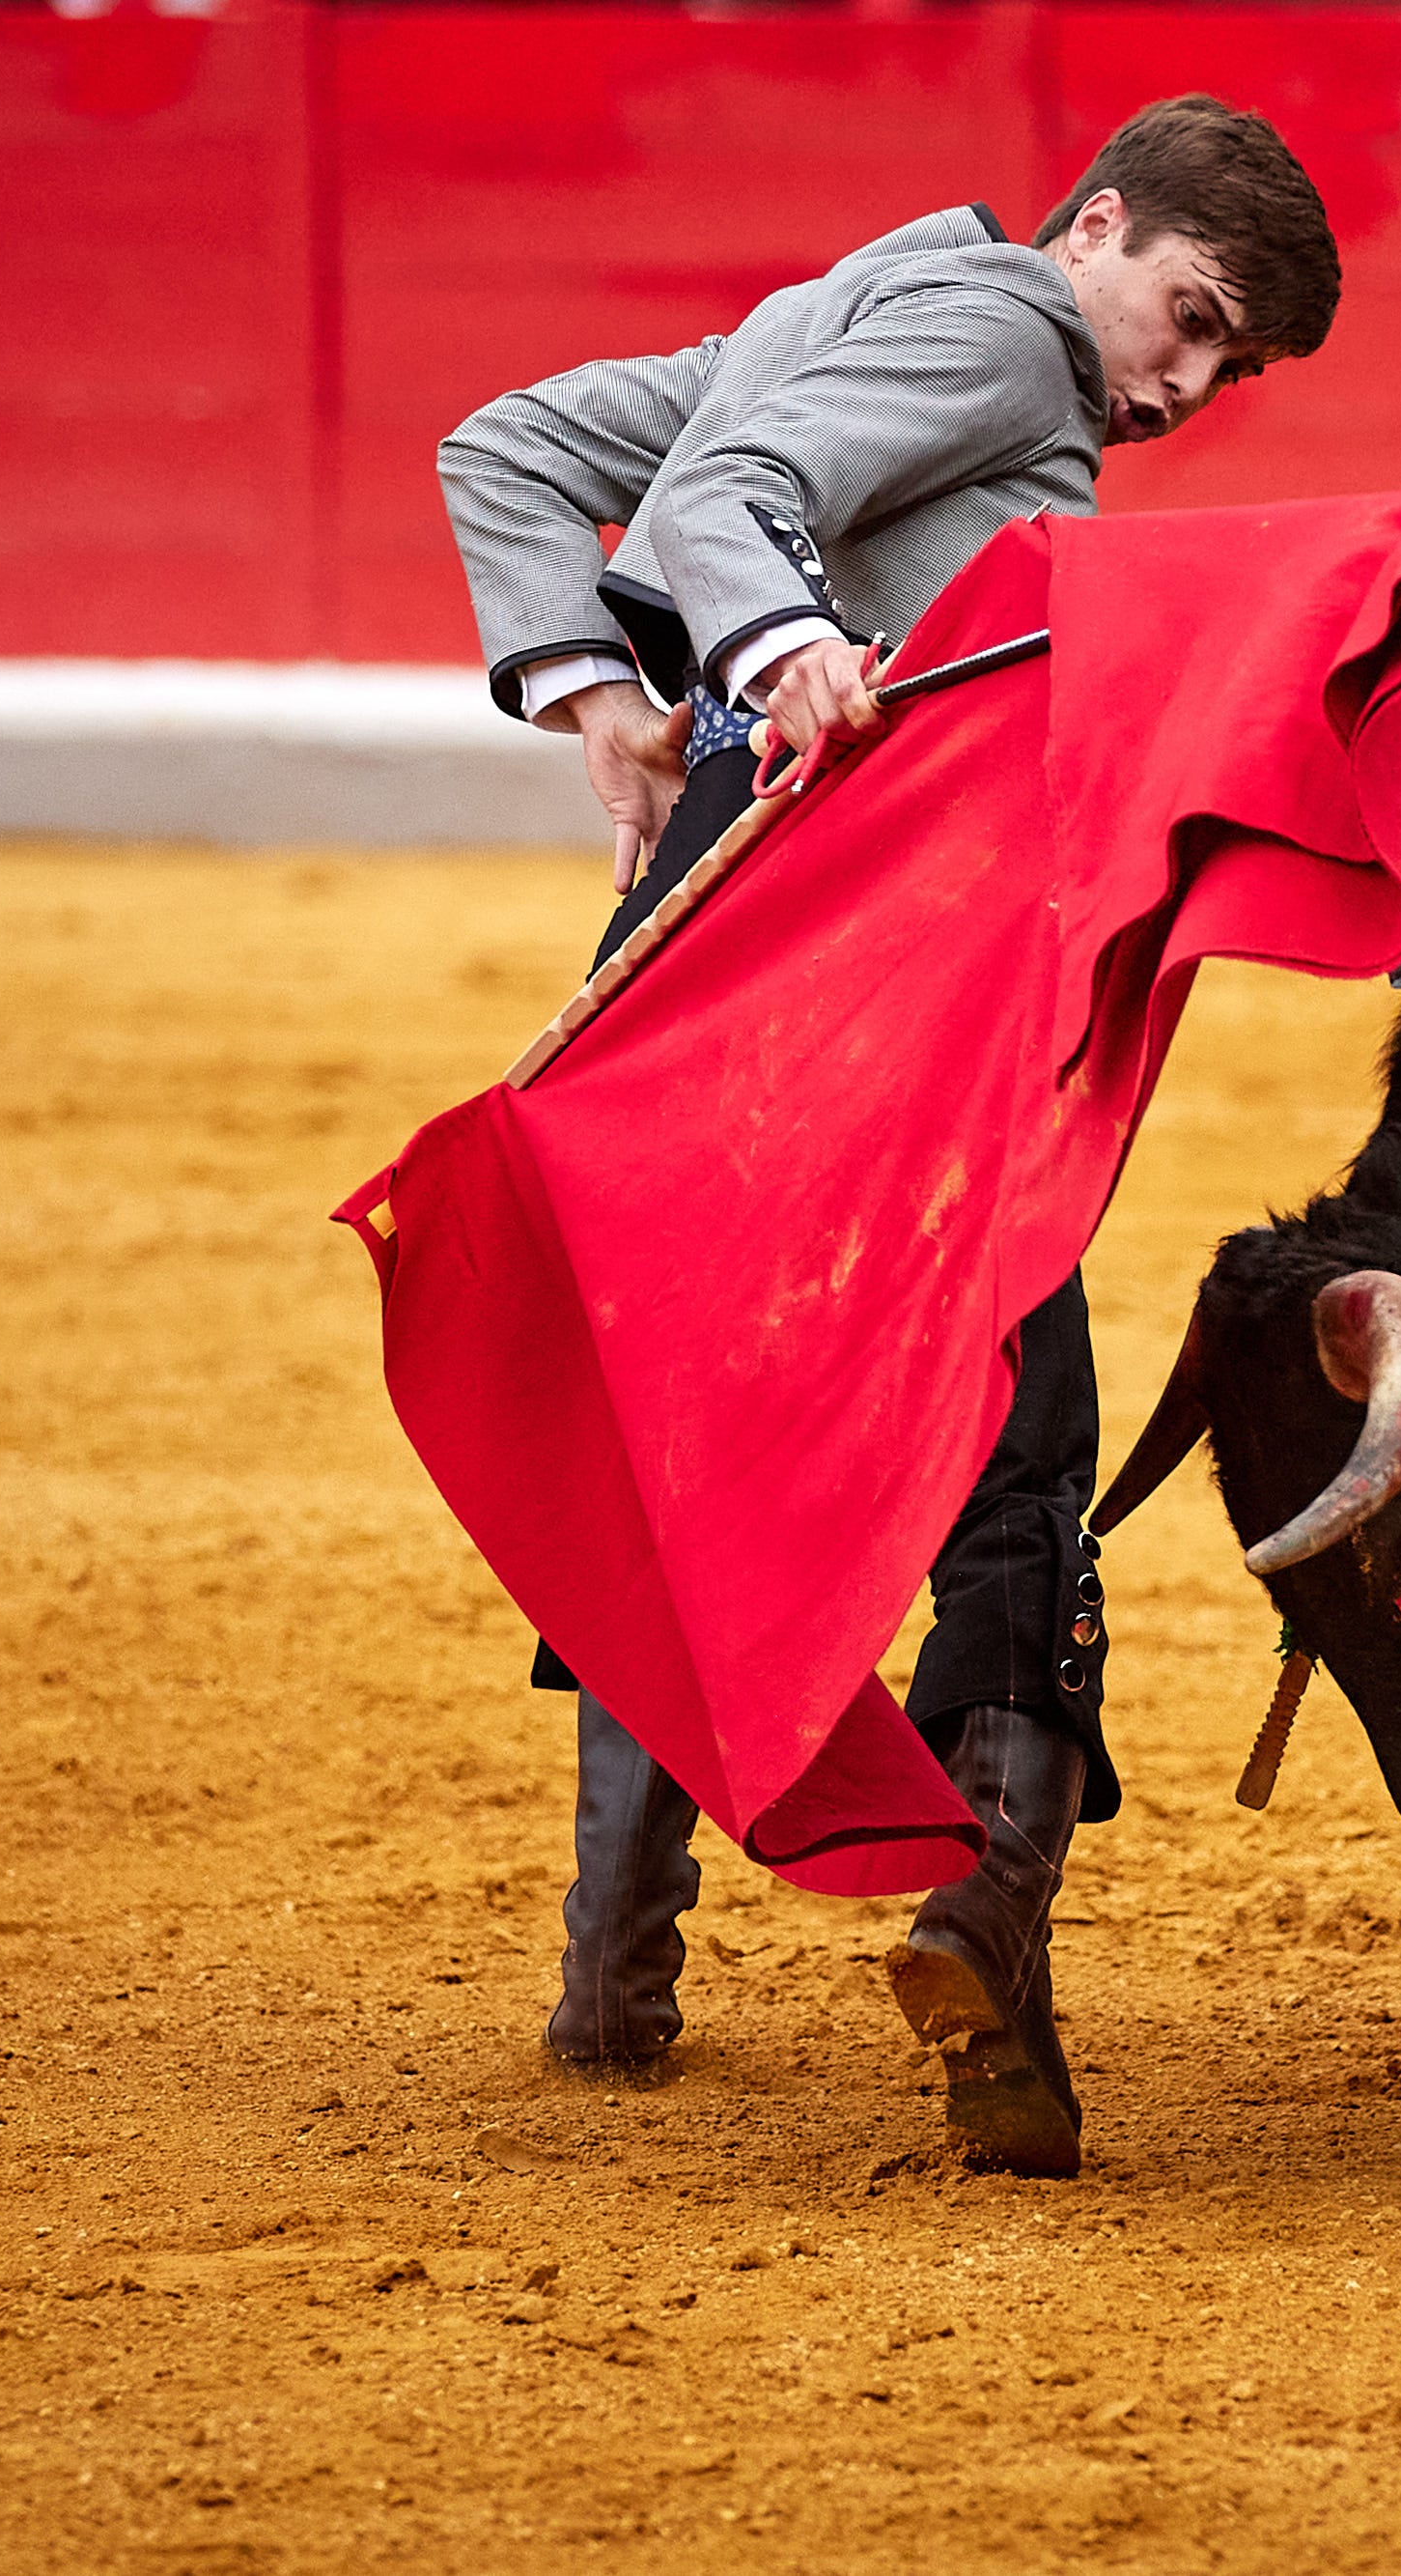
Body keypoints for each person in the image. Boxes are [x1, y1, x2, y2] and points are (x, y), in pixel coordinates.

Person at [434, 96, 1342, 2178]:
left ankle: (612, 1953)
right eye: (1185, 318)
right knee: (1012, 1415)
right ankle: (984, 1927)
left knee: (690, 1398)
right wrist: (776, 647)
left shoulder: (829, 304)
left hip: (697, 940)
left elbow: (512, 447)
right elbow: (742, 497)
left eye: (1228, 367)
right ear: (1090, 225)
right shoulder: (1012, 331)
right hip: (885, 948)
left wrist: (600, 685)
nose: (1181, 387)